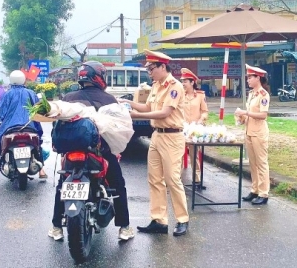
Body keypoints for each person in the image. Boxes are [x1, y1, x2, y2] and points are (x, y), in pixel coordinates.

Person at [48, 61, 134, 241]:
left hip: (71, 153)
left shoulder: (68, 97)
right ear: (99, 77)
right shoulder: (108, 99)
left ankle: (56, 227)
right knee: (117, 185)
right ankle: (124, 227)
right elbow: (116, 128)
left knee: (62, 185)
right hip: (99, 152)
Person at [120, 49, 189, 237]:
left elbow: (165, 112)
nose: (149, 72)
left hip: (172, 137)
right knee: (154, 179)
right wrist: (128, 103)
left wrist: (136, 115)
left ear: (162, 66)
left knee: (172, 179)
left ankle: (182, 219)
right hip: (157, 135)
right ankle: (159, 219)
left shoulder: (174, 86)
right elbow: (148, 107)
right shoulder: (156, 85)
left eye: (151, 68)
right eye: (148, 68)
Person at [0, 70, 47, 183]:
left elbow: (1, 112)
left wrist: (2, 117)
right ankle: (42, 171)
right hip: (30, 125)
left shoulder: (7, 94)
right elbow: (38, 109)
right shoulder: (31, 93)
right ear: (23, 80)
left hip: (9, 126)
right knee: (38, 143)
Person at [234, 64, 270, 205]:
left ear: (258, 78)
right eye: (248, 77)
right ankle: (255, 190)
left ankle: (264, 193)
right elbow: (250, 114)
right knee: (253, 163)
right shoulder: (251, 94)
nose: (248, 80)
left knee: (261, 163)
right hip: (249, 132)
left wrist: (246, 112)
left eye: (250, 77)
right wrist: (241, 117)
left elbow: (263, 115)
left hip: (259, 133)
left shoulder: (263, 95)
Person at [180, 68, 208, 188]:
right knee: (179, 155)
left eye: (185, 81)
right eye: (182, 81)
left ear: (192, 82)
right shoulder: (180, 95)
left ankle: (197, 180)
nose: (183, 84)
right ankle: (176, 180)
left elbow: (205, 111)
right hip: (182, 129)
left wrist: (201, 120)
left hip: (195, 130)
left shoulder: (200, 96)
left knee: (194, 155)